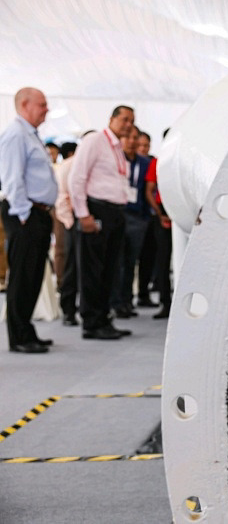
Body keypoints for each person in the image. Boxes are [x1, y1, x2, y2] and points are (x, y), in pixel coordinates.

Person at [68, 106, 135, 340]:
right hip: (96, 209)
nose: (128, 124)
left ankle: (104, 318)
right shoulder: (95, 140)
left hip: (115, 213)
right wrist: (83, 214)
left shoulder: (117, 147)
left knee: (109, 269)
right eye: (124, 119)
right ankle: (91, 322)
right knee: (92, 269)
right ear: (112, 119)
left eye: (132, 121)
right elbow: (77, 177)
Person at [0, 88, 58, 353]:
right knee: (23, 276)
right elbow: (12, 179)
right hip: (25, 213)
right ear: (25, 105)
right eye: (42, 104)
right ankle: (19, 337)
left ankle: (26, 330)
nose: (46, 109)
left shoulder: (30, 134)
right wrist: (23, 214)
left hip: (38, 213)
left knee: (33, 275)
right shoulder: (15, 134)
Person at [110, 126, 150, 318]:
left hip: (137, 217)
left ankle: (126, 301)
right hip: (119, 214)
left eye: (136, 138)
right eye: (129, 137)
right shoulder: (115, 160)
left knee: (130, 261)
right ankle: (115, 302)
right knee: (117, 262)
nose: (132, 141)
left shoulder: (144, 162)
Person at [145, 134, 171, 319]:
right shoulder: (158, 162)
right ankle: (165, 302)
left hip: (184, 212)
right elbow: (149, 190)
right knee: (162, 260)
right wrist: (160, 213)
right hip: (163, 212)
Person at [55, 141, 79, 325]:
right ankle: (68, 310)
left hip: (91, 222)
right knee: (70, 265)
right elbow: (62, 197)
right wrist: (70, 223)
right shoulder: (68, 166)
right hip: (72, 221)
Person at [135, 131, 157, 307]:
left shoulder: (152, 162)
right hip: (132, 215)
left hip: (149, 216)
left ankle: (143, 293)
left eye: (146, 145)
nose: (143, 148)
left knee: (148, 257)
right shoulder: (127, 162)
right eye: (140, 145)